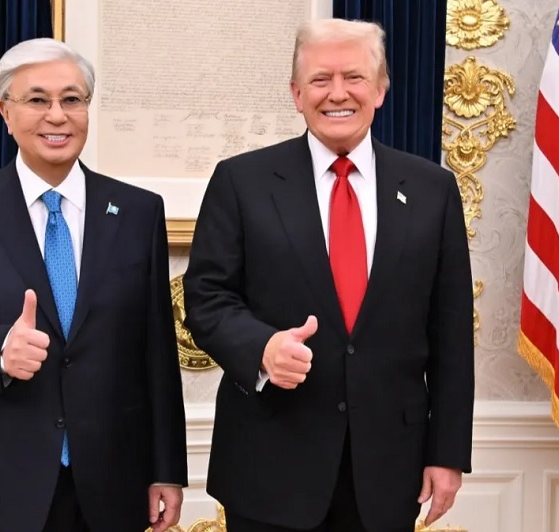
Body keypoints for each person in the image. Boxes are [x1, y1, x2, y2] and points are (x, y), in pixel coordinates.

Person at [183, 18, 474, 532]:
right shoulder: (241, 181)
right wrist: (262, 348)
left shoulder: (433, 189)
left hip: (389, 470)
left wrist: (447, 453)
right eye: (320, 79)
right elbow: (206, 297)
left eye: (354, 77)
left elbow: (451, 331)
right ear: (297, 94)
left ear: (380, 90)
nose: (337, 93)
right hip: (269, 466)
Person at [0, 38, 187, 532]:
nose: (57, 115)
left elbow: (157, 352)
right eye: (38, 100)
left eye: (72, 99)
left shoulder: (138, 211)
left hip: (114, 477)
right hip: (2, 477)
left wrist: (166, 469)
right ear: (5, 111)